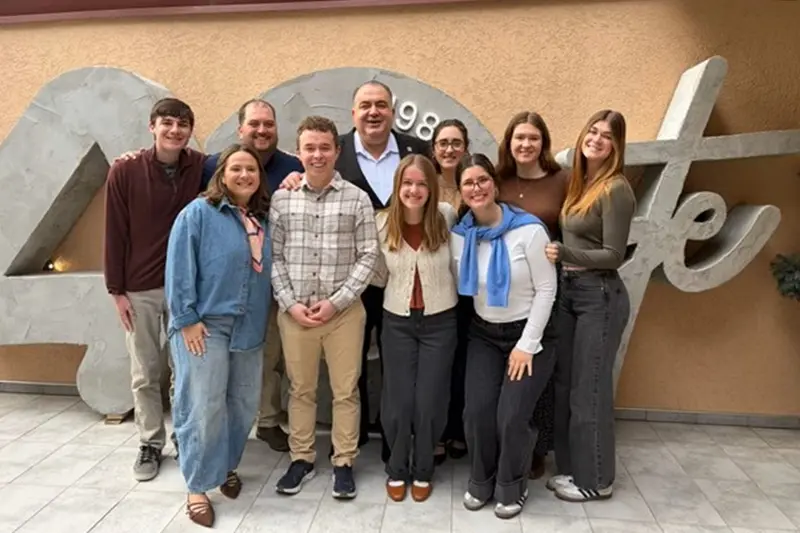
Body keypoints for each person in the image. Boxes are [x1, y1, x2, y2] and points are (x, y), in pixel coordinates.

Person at [120, 98, 301, 453]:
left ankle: (261, 423)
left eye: (269, 124)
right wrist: (134, 157)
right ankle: (181, 443)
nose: (262, 130)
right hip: (209, 298)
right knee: (196, 380)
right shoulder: (212, 167)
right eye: (255, 124)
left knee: (262, 364)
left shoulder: (292, 167)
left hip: (261, 295)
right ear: (240, 130)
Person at [279, 81, 429, 461]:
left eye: (381, 105)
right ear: (354, 113)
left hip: (399, 279)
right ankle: (352, 443)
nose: (373, 112)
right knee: (350, 371)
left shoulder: (416, 150)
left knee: (397, 366)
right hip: (348, 289)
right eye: (365, 105)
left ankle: (396, 443)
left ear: (392, 111)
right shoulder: (332, 153)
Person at [270, 115, 379, 499]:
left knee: (345, 391)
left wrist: (337, 303)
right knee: (300, 390)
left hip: (343, 315)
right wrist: (289, 304)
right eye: (310, 147)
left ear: (337, 150)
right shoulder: (282, 200)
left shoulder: (357, 198)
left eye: (324, 147)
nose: (317, 155)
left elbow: (368, 256)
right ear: (298, 152)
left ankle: (343, 461)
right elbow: (274, 257)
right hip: (295, 313)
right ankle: (301, 459)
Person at [165, 143, 272, 527]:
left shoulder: (261, 219)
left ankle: (224, 465)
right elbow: (178, 268)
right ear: (222, 175)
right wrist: (187, 318)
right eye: (237, 169)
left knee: (242, 404)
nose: (245, 175)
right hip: (205, 326)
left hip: (249, 326)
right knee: (203, 406)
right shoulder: (198, 214)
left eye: (252, 170)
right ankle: (197, 485)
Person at [104, 97, 205, 482]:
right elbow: (114, 230)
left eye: (183, 124)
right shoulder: (125, 170)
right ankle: (149, 441)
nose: (175, 131)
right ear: (152, 127)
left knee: (185, 370)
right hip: (139, 287)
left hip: (185, 287)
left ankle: (183, 436)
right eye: (167, 123)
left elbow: (237, 172)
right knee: (145, 370)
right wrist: (116, 290)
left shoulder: (200, 166)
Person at [450, 154, 557, 519]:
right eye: (468, 183)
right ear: (461, 192)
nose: (476, 188)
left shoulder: (528, 230)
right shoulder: (460, 236)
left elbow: (546, 289)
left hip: (529, 334)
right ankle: (481, 479)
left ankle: (513, 484)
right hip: (483, 335)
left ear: (495, 185)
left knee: (510, 416)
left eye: (482, 180)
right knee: (477, 412)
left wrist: (526, 346)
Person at [544, 109, 636, 503]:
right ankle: (571, 468)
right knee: (565, 386)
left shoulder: (616, 189)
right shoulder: (582, 184)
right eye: (592, 131)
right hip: (570, 292)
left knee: (589, 391)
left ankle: (596, 479)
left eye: (607, 136)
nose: (596, 139)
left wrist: (563, 251)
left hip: (598, 295)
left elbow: (614, 255)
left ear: (616, 146)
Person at [371, 154, 458, 503]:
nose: (414, 190)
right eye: (407, 183)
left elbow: (456, 266)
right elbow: (377, 274)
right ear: (397, 186)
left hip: (441, 321)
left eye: (422, 183)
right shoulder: (381, 225)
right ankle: (397, 467)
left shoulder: (446, 217)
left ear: (432, 188)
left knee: (429, 399)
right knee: (398, 399)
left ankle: (423, 468)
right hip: (397, 320)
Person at [495, 111, 569, 479]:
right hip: (499, 292)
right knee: (505, 372)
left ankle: (538, 448)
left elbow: (577, 225)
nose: (525, 145)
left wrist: (561, 246)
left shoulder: (562, 181)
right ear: (509, 143)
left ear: (544, 143)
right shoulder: (499, 180)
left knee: (538, 370)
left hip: (544, 288)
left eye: (533, 138)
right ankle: (505, 442)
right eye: (519, 138)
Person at [429, 119, 471, 465]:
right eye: (443, 143)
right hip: (434, 289)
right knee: (437, 368)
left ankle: (458, 429)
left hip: (470, 291)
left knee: (463, 364)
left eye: (456, 143)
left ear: (466, 147)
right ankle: (438, 433)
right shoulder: (424, 186)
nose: (449, 149)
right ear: (433, 149)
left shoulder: (475, 186)